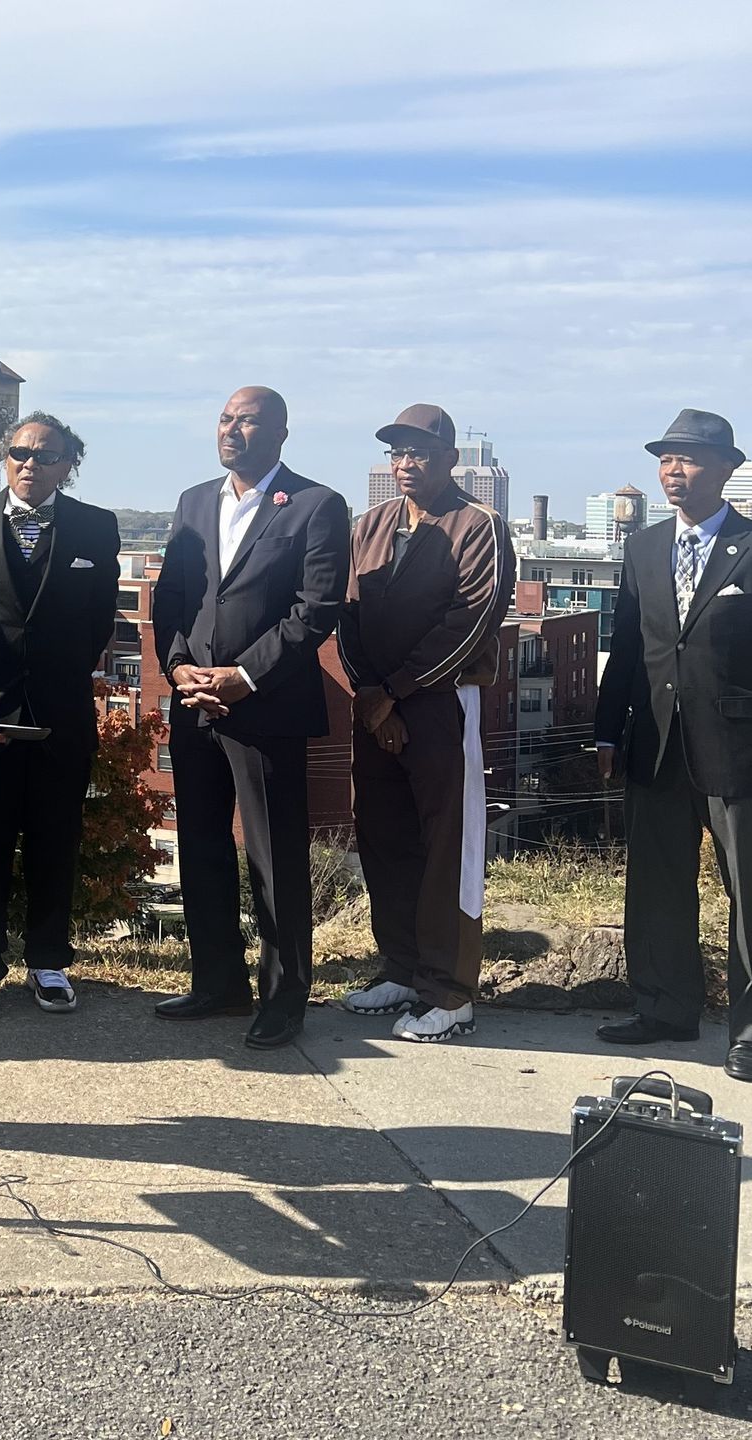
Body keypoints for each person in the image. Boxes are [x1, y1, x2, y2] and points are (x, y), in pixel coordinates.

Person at [151, 387, 349, 1050]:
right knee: (202, 847)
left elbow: (315, 610)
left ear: (281, 433)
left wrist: (244, 677)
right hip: (195, 706)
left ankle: (284, 997)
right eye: (225, 419)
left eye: (248, 421)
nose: (231, 430)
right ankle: (218, 984)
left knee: (274, 858)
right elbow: (172, 599)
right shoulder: (193, 502)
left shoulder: (317, 505)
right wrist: (179, 668)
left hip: (268, 708)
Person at [335, 403, 513, 1043]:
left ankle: (449, 990)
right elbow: (346, 613)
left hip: (441, 702)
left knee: (446, 846)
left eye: (419, 452)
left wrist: (396, 693)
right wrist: (370, 694)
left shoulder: (479, 524)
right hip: (376, 702)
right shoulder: (370, 524)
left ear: (450, 459)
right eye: (397, 452)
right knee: (383, 835)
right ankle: (403, 969)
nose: (406, 463)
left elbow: (472, 620)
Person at [0, 413, 121, 1019]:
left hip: (61, 711)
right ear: (4, 456)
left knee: (55, 839)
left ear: (67, 465)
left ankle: (48, 960)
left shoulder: (95, 527)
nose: (29, 463)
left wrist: (54, 668)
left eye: (45, 455)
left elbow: (100, 619)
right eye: (20, 452)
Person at [593, 410, 752, 1078]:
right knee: (657, 883)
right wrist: (606, 732)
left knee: (748, 892)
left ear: (726, 469)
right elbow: (627, 646)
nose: (672, 471)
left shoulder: (750, 543)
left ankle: (750, 1034)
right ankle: (664, 1008)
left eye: (687, 458)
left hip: (738, 750)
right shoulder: (643, 549)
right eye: (665, 460)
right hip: (655, 742)